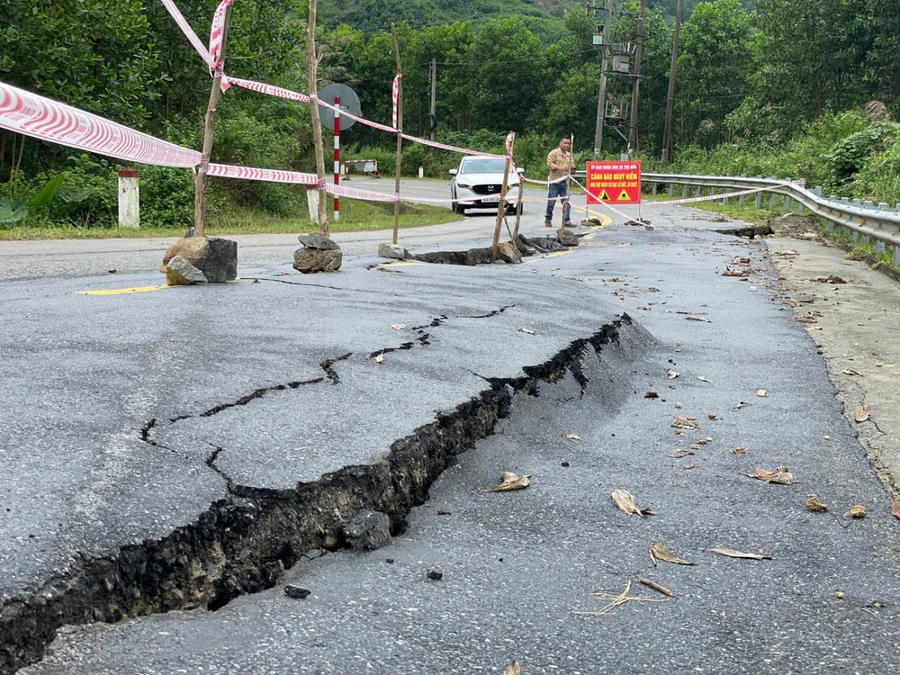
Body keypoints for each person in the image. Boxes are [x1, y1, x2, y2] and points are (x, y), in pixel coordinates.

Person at [545, 135, 575, 227]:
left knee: (566, 202)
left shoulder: (569, 155)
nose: (566, 145)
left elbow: (573, 166)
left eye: (568, 144)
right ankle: (548, 219)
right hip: (555, 182)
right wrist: (560, 168)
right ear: (560, 143)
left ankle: (567, 220)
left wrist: (572, 170)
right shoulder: (553, 153)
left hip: (565, 183)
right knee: (551, 203)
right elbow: (549, 164)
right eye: (565, 143)